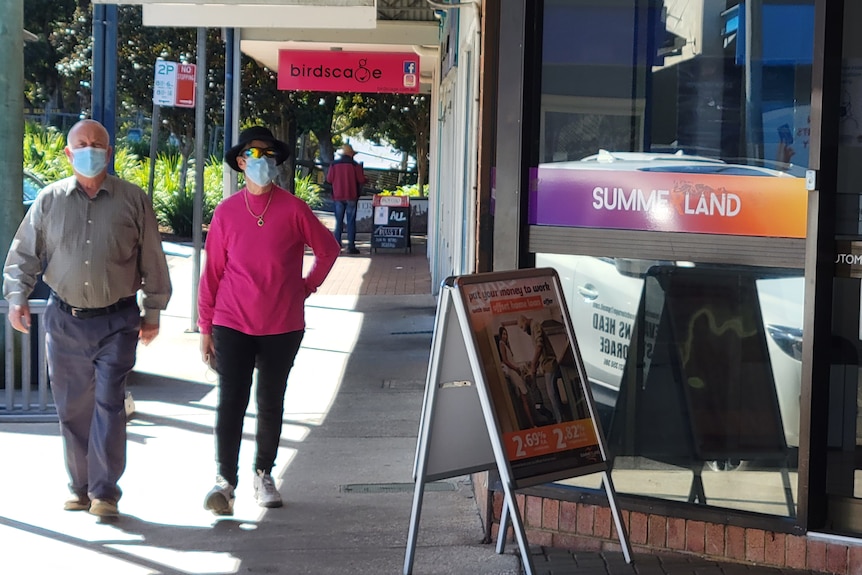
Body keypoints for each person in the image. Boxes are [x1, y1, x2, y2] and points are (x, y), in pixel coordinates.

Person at [3, 119, 172, 518]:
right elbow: (24, 255)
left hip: (118, 321)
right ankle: (79, 487)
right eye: (82, 143)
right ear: (68, 153)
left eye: (98, 143)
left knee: (109, 402)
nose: (90, 149)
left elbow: (152, 259)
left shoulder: (133, 199)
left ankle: (105, 491)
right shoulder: (49, 199)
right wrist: (17, 298)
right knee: (72, 407)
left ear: (109, 151)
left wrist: (153, 311)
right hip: (65, 320)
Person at [199, 126, 340, 516]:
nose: (261, 161)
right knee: (231, 402)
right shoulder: (226, 212)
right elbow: (212, 273)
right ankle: (225, 483)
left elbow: (328, 250)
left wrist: (306, 287)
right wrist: (205, 327)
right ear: (241, 163)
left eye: (268, 154)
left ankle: (264, 473)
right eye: (253, 154)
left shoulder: (293, 208)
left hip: (282, 324)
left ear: (276, 162)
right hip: (232, 321)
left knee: (270, 401)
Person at [518, 315, 565, 424]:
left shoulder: (535, 325)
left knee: (551, 394)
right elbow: (540, 350)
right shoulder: (533, 328)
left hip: (550, 364)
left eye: (522, 327)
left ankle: (561, 421)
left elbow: (539, 346)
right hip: (546, 365)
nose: (524, 330)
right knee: (553, 393)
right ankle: (561, 419)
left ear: (525, 321)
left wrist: (534, 364)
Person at [326, 143, 366, 255]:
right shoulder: (355, 165)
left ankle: (337, 245)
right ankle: (351, 246)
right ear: (351, 154)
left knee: (338, 222)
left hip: (337, 196)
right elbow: (361, 179)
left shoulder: (334, 165)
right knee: (351, 222)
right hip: (351, 196)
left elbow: (329, 179)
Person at [498, 326, 537, 429]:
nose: (505, 336)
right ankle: (531, 424)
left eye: (506, 334)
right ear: (500, 336)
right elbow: (505, 360)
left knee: (524, 398)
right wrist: (515, 368)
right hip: (513, 372)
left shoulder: (506, 345)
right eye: (503, 334)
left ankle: (531, 423)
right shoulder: (501, 344)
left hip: (515, 371)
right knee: (524, 398)